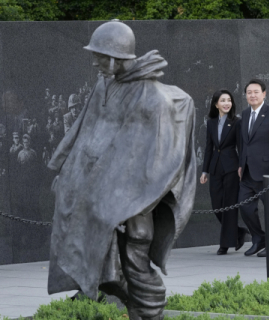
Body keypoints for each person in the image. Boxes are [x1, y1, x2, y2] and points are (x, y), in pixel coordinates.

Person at [47, 20, 196, 320]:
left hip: (134, 208)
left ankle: (150, 314)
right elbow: (86, 132)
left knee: (136, 265)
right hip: (102, 199)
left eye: (101, 57)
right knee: (113, 273)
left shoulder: (152, 98)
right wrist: (67, 172)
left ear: (117, 58)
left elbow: (158, 164)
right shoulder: (106, 84)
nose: (95, 62)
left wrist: (125, 206)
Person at [238, 79, 269, 257]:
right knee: (245, 207)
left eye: (256, 92)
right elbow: (244, 142)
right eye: (249, 92)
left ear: (264, 94)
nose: (252, 95)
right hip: (248, 171)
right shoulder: (244, 114)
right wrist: (240, 164)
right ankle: (259, 238)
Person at [200, 89, 248, 255]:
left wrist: (242, 166)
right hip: (215, 168)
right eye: (223, 100)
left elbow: (242, 147)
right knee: (216, 205)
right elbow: (208, 148)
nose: (227, 103)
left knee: (229, 205)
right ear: (216, 104)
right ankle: (238, 232)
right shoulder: (211, 122)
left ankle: (225, 244)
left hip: (232, 168)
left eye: (229, 100)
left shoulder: (237, 121)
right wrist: (205, 171)